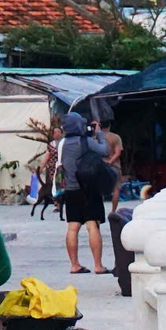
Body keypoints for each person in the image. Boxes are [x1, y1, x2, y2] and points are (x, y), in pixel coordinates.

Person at [55, 112, 109, 275]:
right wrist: (99, 133)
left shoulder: (61, 143)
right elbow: (104, 150)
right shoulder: (85, 141)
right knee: (92, 225)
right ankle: (98, 265)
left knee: (73, 227)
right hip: (88, 189)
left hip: (70, 190)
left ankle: (74, 265)